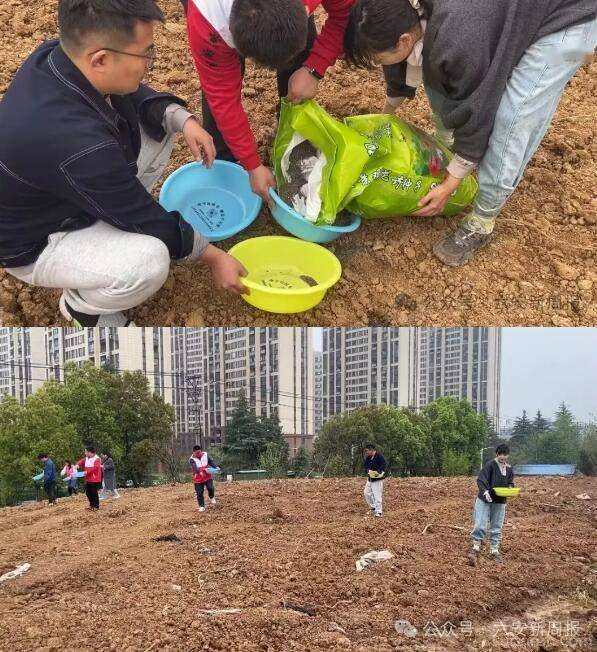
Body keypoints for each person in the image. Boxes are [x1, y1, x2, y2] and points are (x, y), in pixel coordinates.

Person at [0, 0, 248, 328]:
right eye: (145, 53)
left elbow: (125, 88)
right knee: (149, 261)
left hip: (67, 191)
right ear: (101, 58)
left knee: (161, 123)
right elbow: (145, 216)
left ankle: (111, 224)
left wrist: (183, 120)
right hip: (37, 239)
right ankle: (83, 307)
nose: (150, 63)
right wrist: (213, 255)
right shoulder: (79, 145)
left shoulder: (57, 57)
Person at [344, 0, 596, 266]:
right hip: (506, 12)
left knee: (514, 116)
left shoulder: (460, 38)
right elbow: (418, 67)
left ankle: (482, 219)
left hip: (564, 14)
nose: (376, 63)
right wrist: (386, 117)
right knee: (443, 69)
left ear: (405, 40)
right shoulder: (400, 13)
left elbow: (479, 107)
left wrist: (451, 184)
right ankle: (449, 145)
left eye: (376, 58)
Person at [184, 0, 354, 200]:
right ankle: (225, 162)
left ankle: (290, 133)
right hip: (215, 25)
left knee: (298, 57)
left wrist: (313, 68)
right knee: (218, 88)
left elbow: (345, 13)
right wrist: (251, 164)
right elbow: (222, 96)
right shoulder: (207, 23)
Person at [469, 444, 515, 565]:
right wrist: (485, 492)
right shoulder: (490, 465)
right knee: (480, 523)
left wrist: (510, 487)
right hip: (485, 498)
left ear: (508, 456)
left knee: (497, 525)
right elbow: (481, 479)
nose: (503, 458)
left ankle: (494, 549)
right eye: (501, 456)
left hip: (500, 500)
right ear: (497, 454)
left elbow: (510, 482)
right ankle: (475, 547)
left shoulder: (509, 469)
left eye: (505, 456)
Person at [189, 445, 217, 513]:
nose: (198, 454)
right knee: (199, 492)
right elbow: (194, 467)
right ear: (193, 452)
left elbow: (210, 461)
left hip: (207, 475)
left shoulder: (205, 455)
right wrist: (199, 472)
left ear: (201, 451)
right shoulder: (191, 459)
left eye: (199, 452)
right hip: (198, 478)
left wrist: (216, 467)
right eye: (197, 453)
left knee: (211, 488)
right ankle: (201, 506)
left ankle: (211, 497)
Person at [363, 443, 386, 517]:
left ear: (372, 450)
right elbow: (366, 466)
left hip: (377, 479)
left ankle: (379, 512)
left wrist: (377, 472)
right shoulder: (368, 457)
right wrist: (368, 471)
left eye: (367, 451)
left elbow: (383, 466)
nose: (366, 452)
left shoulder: (380, 457)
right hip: (370, 478)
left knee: (377, 495)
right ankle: (373, 507)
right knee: (366, 493)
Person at [76, 446, 103, 510]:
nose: (85, 453)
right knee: (88, 492)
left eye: (85, 451)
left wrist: (86, 472)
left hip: (94, 478)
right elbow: (81, 461)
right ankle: (91, 505)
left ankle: (96, 506)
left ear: (89, 452)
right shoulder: (87, 458)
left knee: (93, 492)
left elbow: (95, 468)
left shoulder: (97, 459)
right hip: (88, 478)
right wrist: (77, 464)